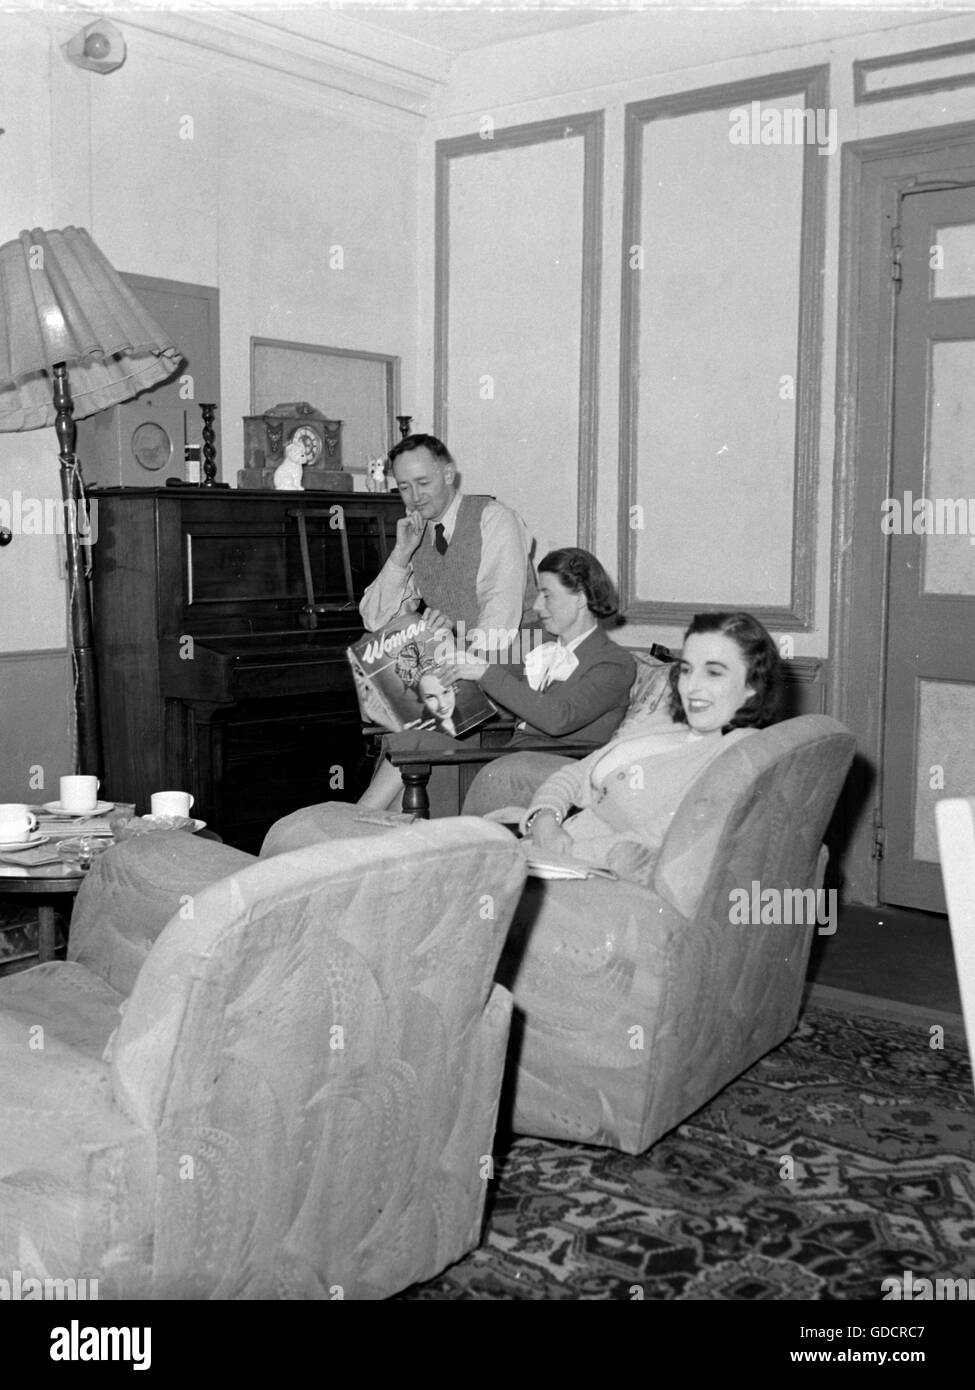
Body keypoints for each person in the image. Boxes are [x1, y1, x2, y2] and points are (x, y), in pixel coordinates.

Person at [511, 610, 784, 886]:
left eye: (713, 672)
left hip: (583, 878)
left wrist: (557, 852)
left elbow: (661, 837)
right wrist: (545, 818)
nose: (692, 686)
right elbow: (574, 773)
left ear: (752, 684)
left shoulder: (735, 751)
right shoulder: (666, 723)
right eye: (687, 669)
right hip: (547, 850)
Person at [359, 547, 636, 810]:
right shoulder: (546, 648)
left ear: (581, 598)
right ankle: (360, 826)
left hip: (536, 776)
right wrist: (442, 641)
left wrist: (483, 671)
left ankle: (355, 831)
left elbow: (558, 718)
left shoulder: (613, 662)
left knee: (413, 764)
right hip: (503, 761)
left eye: (547, 595)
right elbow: (493, 696)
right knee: (413, 741)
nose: (537, 606)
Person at [359, 433, 536, 657]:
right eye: (404, 487)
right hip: (462, 659)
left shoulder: (494, 519)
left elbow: (498, 619)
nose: (415, 496)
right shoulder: (418, 532)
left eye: (423, 483)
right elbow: (374, 620)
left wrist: (455, 667)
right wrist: (402, 553)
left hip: (519, 657)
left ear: (448, 474)